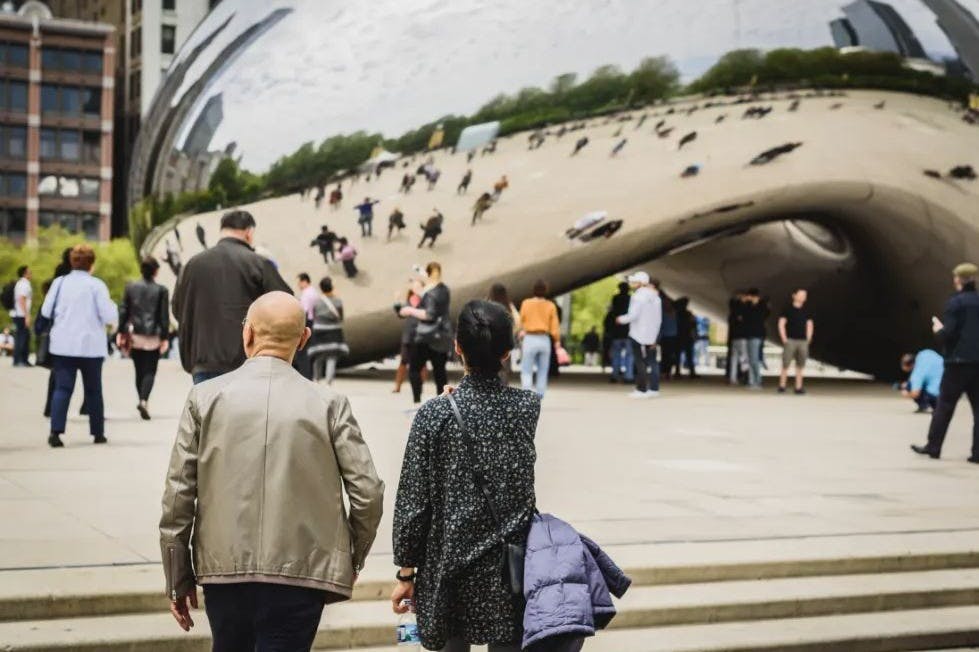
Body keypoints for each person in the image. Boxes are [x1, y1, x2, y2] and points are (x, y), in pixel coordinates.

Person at [159, 292, 384, 650]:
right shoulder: (329, 404)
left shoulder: (204, 398)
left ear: (247, 335)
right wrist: (349, 558)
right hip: (301, 573)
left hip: (224, 571)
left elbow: (177, 497)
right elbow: (368, 492)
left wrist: (176, 576)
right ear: (304, 338)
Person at [391, 299, 538, 652]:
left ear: (457, 347)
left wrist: (406, 574)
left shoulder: (434, 415)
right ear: (507, 352)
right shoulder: (527, 408)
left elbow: (413, 501)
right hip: (509, 569)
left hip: (448, 569)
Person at [172, 210, 292, 385]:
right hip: (247, 362)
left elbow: (177, 309)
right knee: (245, 412)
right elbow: (286, 305)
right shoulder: (258, 264)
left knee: (209, 411)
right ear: (249, 232)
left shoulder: (191, 265)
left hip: (202, 362)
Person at [40, 245, 118, 448]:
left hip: (63, 345)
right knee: (93, 390)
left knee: (62, 388)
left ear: (72, 262)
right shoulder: (96, 285)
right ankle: (98, 433)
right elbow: (109, 316)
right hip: (91, 347)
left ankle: (56, 433)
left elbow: (46, 311)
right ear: (91, 263)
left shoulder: (59, 283)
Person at [912, 263, 979, 463]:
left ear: (957, 279)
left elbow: (947, 335)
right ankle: (977, 453)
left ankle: (934, 447)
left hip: (957, 363)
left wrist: (937, 330)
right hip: (978, 363)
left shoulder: (955, 303)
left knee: (945, 405)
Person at [117, 257, 170, 421]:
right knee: (150, 370)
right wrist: (165, 337)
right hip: (153, 335)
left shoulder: (130, 287)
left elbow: (123, 311)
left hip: (135, 335)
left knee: (139, 370)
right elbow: (163, 316)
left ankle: (141, 399)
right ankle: (144, 400)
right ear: (155, 271)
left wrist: (120, 331)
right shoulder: (161, 290)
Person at [399, 262, 451, 403]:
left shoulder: (432, 291)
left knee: (414, 368)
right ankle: (443, 402)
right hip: (441, 335)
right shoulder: (444, 290)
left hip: (425, 336)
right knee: (440, 371)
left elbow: (429, 314)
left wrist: (410, 310)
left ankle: (417, 399)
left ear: (428, 274)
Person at [616, 271, 662, 398]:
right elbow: (658, 319)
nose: (631, 283)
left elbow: (633, 315)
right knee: (652, 361)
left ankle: (641, 389)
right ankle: (654, 389)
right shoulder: (656, 298)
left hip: (638, 334)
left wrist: (621, 319)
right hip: (652, 334)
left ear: (640, 283)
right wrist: (655, 335)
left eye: (634, 281)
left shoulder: (637, 296)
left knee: (639, 361)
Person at [519, 279, 560, 397]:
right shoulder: (550, 305)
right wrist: (557, 340)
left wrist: (522, 331)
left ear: (533, 290)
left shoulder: (526, 303)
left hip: (530, 338)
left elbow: (521, 320)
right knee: (543, 370)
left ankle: (527, 394)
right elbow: (555, 325)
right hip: (544, 339)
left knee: (526, 369)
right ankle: (540, 395)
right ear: (546, 291)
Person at [307, 277, 349, 384]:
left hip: (319, 330)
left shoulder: (317, 302)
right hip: (334, 331)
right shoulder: (338, 301)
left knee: (318, 355)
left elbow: (314, 315)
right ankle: (328, 383)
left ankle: (316, 379)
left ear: (321, 288)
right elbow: (341, 317)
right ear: (332, 287)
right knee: (332, 358)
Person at [778, 288, 814, 394]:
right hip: (791, 340)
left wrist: (808, 338)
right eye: (801, 295)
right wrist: (784, 338)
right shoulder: (787, 309)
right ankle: (782, 385)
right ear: (794, 296)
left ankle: (798, 387)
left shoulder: (807, 310)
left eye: (805, 295)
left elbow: (809, 324)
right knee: (786, 363)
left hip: (803, 341)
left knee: (800, 364)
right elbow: (781, 323)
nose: (803, 297)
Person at [393, 280, 426, 394]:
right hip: (409, 334)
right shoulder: (409, 300)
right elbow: (400, 314)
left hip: (422, 334)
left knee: (421, 362)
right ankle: (397, 386)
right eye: (414, 286)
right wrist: (397, 301)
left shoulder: (426, 299)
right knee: (404, 361)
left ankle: (419, 386)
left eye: (418, 286)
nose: (415, 288)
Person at [488, 282, 521, 384]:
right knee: (504, 370)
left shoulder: (486, 305)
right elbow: (518, 322)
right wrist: (512, 332)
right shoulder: (509, 306)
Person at [741, 289, 769, 389]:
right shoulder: (748, 306)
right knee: (751, 359)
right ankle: (751, 381)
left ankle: (757, 381)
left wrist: (758, 302)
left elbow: (763, 315)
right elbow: (743, 316)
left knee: (754, 359)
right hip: (749, 335)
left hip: (757, 335)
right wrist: (745, 304)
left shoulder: (762, 307)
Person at [608, 282, 634, 383]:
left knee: (616, 354)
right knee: (629, 355)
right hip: (628, 331)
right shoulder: (631, 299)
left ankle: (615, 374)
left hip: (617, 331)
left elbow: (612, 314)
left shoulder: (615, 299)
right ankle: (628, 376)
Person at [9, 265, 32, 366]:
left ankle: (22, 360)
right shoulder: (24, 284)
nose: (31, 273)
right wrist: (26, 315)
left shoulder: (20, 283)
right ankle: (20, 360)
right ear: (25, 273)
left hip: (18, 314)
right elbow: (21, 299)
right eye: (29, 271)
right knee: (22, 338)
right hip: (21, 314)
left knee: (21, 337)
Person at [674, 298, 697, 378]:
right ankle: (691, 372)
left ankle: (678, 372)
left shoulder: (676, 314)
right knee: (689, 355)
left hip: (679, 336)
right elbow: (693, 325)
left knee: (678, 356)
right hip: (686, 336)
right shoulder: (688, 314)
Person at [727, 291, 747, 385]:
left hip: (734, 337)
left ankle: (733, 378)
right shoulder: (743, 310)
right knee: (744, 358)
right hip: (742, 337)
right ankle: (746, 376)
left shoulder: (732, 313)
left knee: (734, 359)